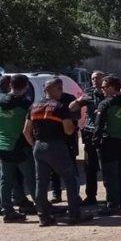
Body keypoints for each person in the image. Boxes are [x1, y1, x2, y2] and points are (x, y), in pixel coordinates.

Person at [23, 78, 94, 226]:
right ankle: (74, 214)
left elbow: (26, 131)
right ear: (59, 89)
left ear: (44, 90)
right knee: (70, 180)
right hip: (56, 146)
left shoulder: (34, 106)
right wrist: (74, 128)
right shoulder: (60, 107)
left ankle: (43, 216)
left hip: (38, 147)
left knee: (41, 183)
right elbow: (68, 130)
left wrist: (34, 145)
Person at [94, 76, 121, 215]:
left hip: (110, 142)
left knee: (110, 176)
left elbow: (98, 126)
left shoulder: (106, 104)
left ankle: (112, 205)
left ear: (111, 87)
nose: (102, 90)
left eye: (104, 87)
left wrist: (95, 142)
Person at [0, 74, 33, 222]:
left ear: (10, 85)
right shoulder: (25, 104)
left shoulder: (0, 100)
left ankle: (7, 210)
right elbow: (29, 127)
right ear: (26, 86)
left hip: (3, 144)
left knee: (5, 179)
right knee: (31, 177)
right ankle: (42, 207)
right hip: (20, 146)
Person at [69, 70, 104, 205]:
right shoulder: (88, 93)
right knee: (90, 167)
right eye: (93, 78)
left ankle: (112, 197)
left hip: (106, 133)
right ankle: (91, 196)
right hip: (90, 132)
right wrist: (78, 101)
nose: (94, 80)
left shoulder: (109, 93)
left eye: (97, 78)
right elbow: (72, 108)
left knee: (107, 167)